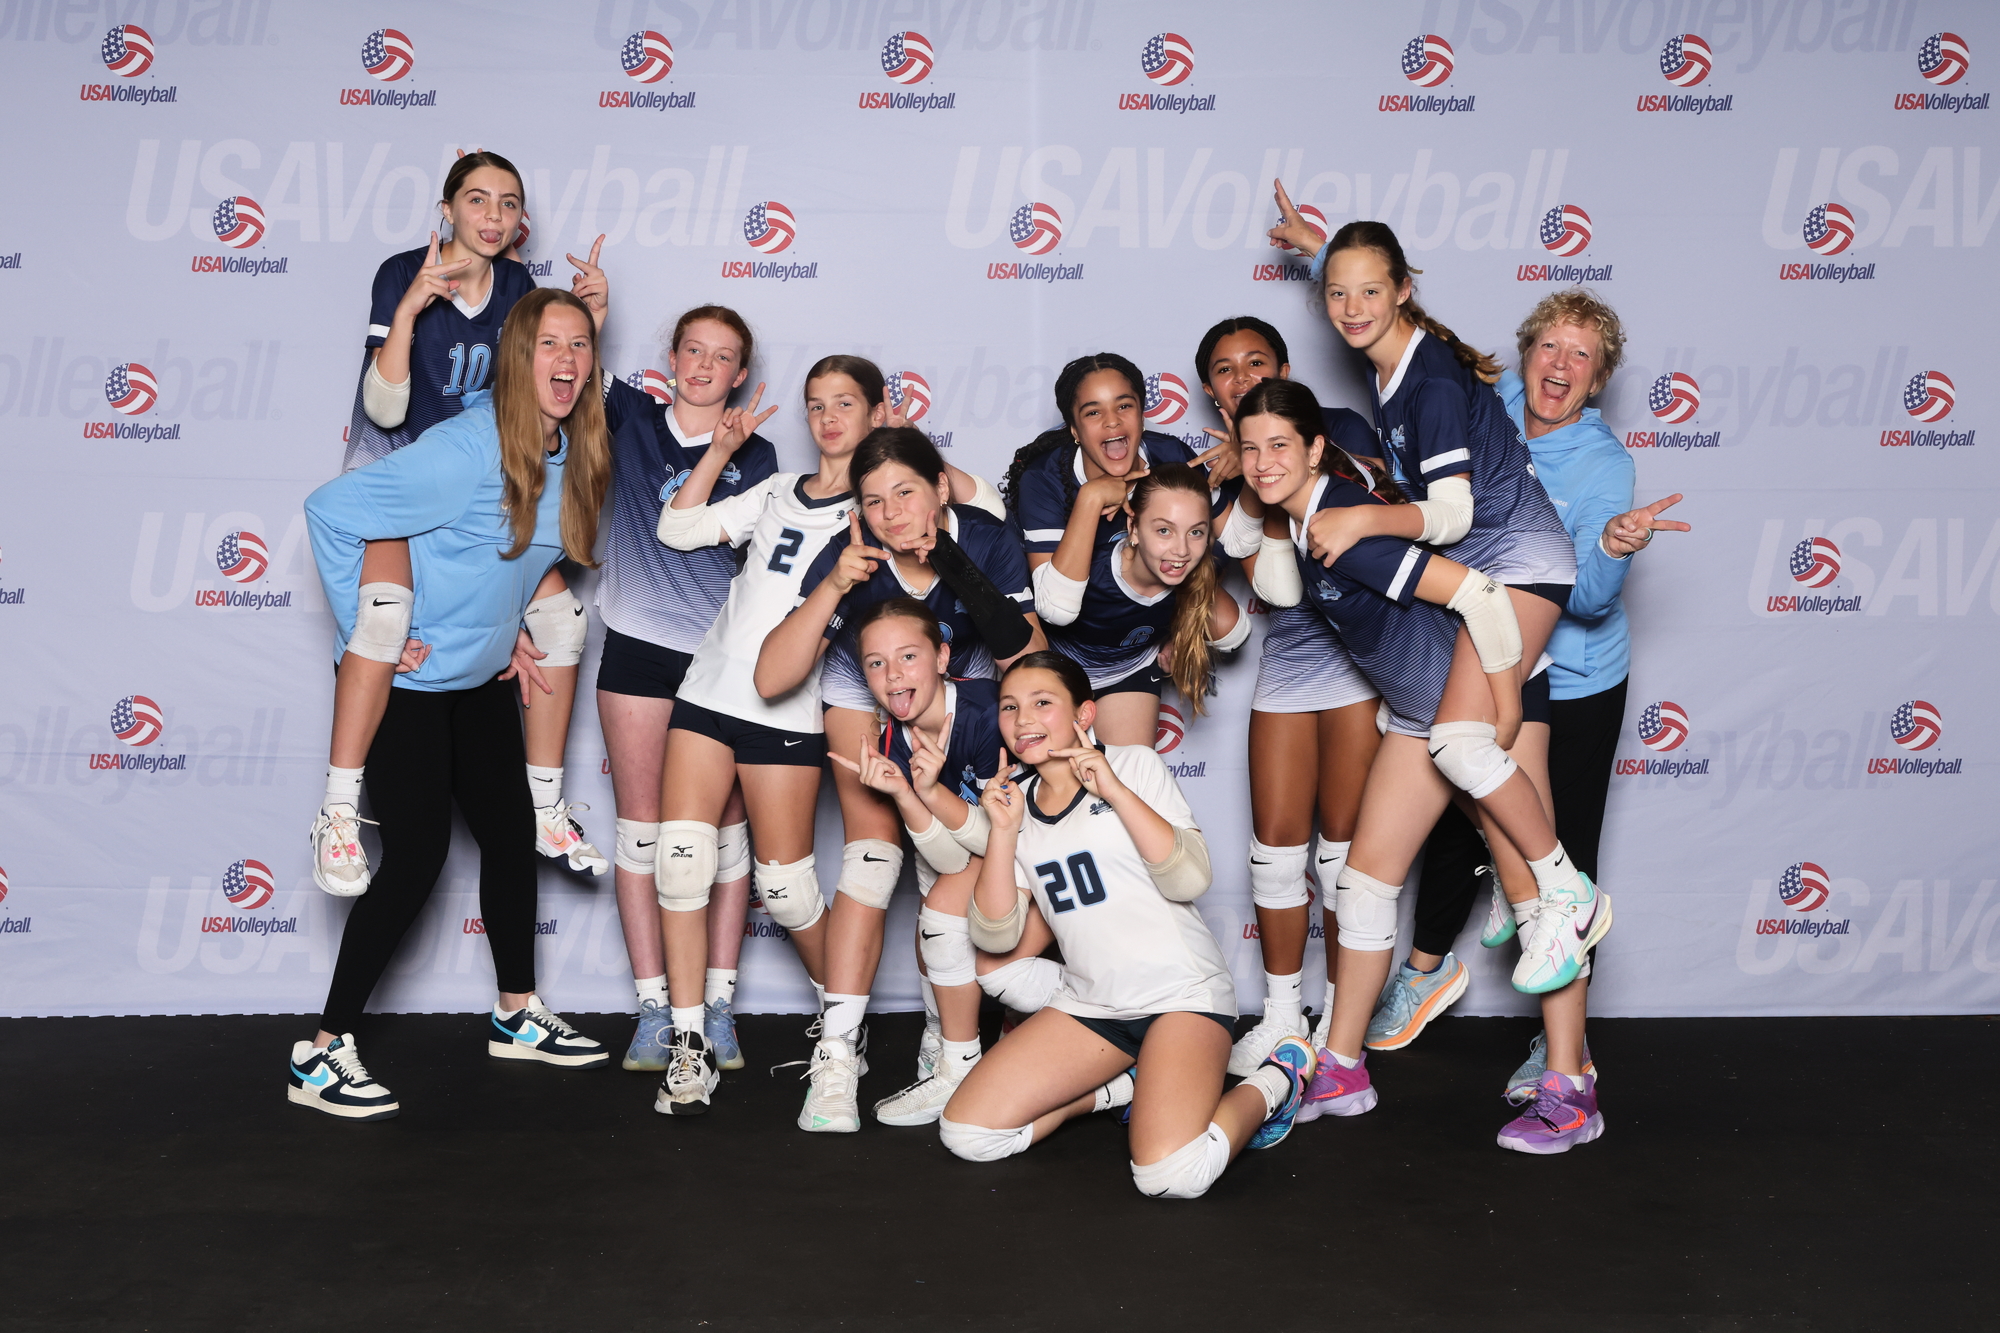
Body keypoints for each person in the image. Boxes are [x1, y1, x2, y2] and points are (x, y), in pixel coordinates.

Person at [1239, 378, 1609, 1153]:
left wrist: (1502, 715)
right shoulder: (1307, 521)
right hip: (1419, 715)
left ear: (1315, 448)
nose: (1264, 461)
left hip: (1485, 704)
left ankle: (1571, 1088)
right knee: (1363, 884)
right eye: (1250, 448)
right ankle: (1342, 1069)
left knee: (1543, 902)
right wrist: (1267, 509)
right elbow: (1278, 582)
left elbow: (1482, 594)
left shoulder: (1350, 528)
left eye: (1280, 445)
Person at [287, 288, 615, 1120]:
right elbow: (330, 509)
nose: (566, 359)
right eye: (548, 343)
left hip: (479, 682)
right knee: (420, 857)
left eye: (579, 345)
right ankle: (321, 1051)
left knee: (509, 837)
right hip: (406, 688)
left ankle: (516, 1013)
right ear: (516, 358)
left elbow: (510, 556)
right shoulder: (466, 448)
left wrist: (504, 628)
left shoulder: (572, 452)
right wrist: (368, 626)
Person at [1265, 208, 1600, 1005]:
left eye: (1369, 291)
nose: (1352, 308)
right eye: (1338, 293)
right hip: (1486, 571)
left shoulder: (1434, 380)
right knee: (1456, 744)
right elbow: (1363, 287)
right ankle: (1522, 883)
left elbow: (1450, 513)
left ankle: (1564, 890)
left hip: (1522, 562)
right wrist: (1321, 250)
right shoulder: (1395, 360)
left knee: (1457, 740)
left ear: (1404, 291)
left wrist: (1363, 519)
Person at [315, 151, 612, 899]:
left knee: (562, 622)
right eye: (476, 199)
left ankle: (545, 808)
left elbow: (548, 381)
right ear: (445, 210)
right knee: (383, 621)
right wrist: (411, 308)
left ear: (522, 221)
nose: (492, 215)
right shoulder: (402, 270)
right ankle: (338, 813)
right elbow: (385, 410)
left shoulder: (521, 288)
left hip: (483, 489)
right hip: (408, 480)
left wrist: (591, 328)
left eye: (508, 203)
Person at [1439, 289, 1688, 1148]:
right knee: (1456, 815)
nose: (1561, 364)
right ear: (1526, 354)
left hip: (1575, 680)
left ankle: (1564, 1057)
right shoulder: (1496, 403)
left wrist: (1611, 548)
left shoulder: (1603, 464)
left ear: (1600, 377)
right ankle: (1428, 968)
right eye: (1550, 345)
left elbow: (1581, 600)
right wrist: (1334, 260)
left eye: (1582, 354)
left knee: (1565, 868)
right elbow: (1411, 336)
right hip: (1489, 663)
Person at [938, 652, 1318, 1198]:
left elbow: (1190, 880)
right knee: (967, 1134)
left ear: (1084, 715)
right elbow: (995, 935)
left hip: (1182, 996)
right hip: (1093, 1007)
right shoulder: (1012, 803)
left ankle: (1279, 1080)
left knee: (1169, 1176)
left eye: (1043, 703)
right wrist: (1001, 831)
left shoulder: (1133, 765)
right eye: (1010, 707)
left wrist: (1113, 790)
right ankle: (1122, 1088)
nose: (1023, 720)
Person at [755, 426, 1040, 1128]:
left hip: (961, 684)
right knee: (875, 857)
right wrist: (836, 583)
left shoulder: (982, 538)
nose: (892, 514)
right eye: (875, 500)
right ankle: (837, 1052)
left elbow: (1031, 664)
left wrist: (947, 557)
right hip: (869, 683)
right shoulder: (851, 549)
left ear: (941, 487)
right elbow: (771, 678)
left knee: (951, 865)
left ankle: (946, 1038)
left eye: (906, 492)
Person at [1191, 317, 1386, 1073]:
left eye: (1256, 362)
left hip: (1359, 657)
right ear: (1211, 390)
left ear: (1285, 368)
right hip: (1292, 655)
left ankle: (1340, 1018)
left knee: (1343, 858)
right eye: (1225, 368)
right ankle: (1281, 1016)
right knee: (1274, 855)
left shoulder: (1336, 428)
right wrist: (1240, 480)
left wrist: (1260, 473)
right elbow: (1255, 570)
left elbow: (1356, 528)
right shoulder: (1224, 466)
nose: (1242, 376)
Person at [593, 306, 776, 1074]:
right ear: (670, 357)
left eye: (722, 355)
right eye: (692, 349)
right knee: (641, 833)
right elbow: (559, 363)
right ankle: (654, 1008)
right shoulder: (630, 415)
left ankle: (718, 1002)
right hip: (636, 648)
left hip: (718, 663)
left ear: (741, 374)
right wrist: (593, 317)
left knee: (724, 836)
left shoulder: (759, 454)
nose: (704, 365)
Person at [822, 599, 1050, 1127]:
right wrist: (906, 794)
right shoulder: (889, 742)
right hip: (983, 851)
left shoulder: (991, 710)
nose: (892, 674)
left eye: (908, 656)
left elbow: (1004, 833)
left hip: (1043, 843)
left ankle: (961, 1066)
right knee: (937, 902)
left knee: (947, 913)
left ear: (943, 657)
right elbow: (948, 858)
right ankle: (949, 1047)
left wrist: (928, 795)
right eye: (876, 663)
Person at [1003, 354, 1202, 744]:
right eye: (1093, 412)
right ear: (1074, 430)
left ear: (1142, 414)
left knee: (1128, 777)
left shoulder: (1173, 458)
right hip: (1057, 661)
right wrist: (1091, 498)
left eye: (1124, 405)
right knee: (1057, 779)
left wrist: (1183, 629)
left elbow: (1211, 550)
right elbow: (1056, 608)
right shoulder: (1044, 480)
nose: (1112, 421)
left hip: (1129, 658)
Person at [1035, 464, 1247, 716]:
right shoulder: (1090, 570)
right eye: (1164, 530)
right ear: (1133, 528)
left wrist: (1180, 636)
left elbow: (1235, 631)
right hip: (1058, 667)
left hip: (1129, 670)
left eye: (1195, 532)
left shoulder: (1201, 565)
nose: (1181, 550)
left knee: (1232, 632)